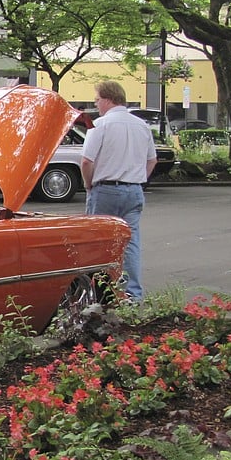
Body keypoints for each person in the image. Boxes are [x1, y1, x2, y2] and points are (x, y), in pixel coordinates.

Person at [80, 80, 157, 302]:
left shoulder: (100, 125)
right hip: (133, 190)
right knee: (130, 242)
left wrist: (89, 184)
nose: (96, 104)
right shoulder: (141, 126)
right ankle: (133, 294)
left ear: (106, 99)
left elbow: (87, 161)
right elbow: (152, 160)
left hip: (105, 188)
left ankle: (100, 293)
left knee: (99, 241)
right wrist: (138, 179)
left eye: (96, 100)